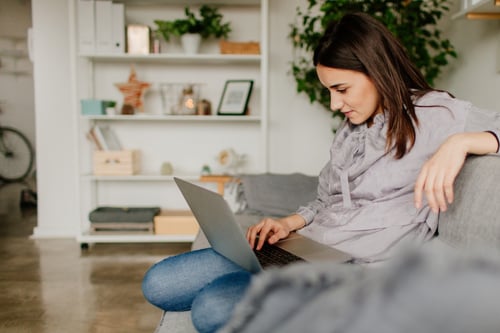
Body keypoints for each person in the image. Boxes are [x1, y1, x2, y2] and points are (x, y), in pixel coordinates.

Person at [142, 12, 500, 333]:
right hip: (309, 245)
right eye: (329, 90)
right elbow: (326, 199)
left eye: (341, 89)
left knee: (212, 310)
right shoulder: (350, 131)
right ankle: (261, 274)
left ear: (376, 72)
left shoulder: (436, 114)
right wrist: (289, 223)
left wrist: (462, 143)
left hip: (352, 270)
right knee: (158, 283)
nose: (334, 103)